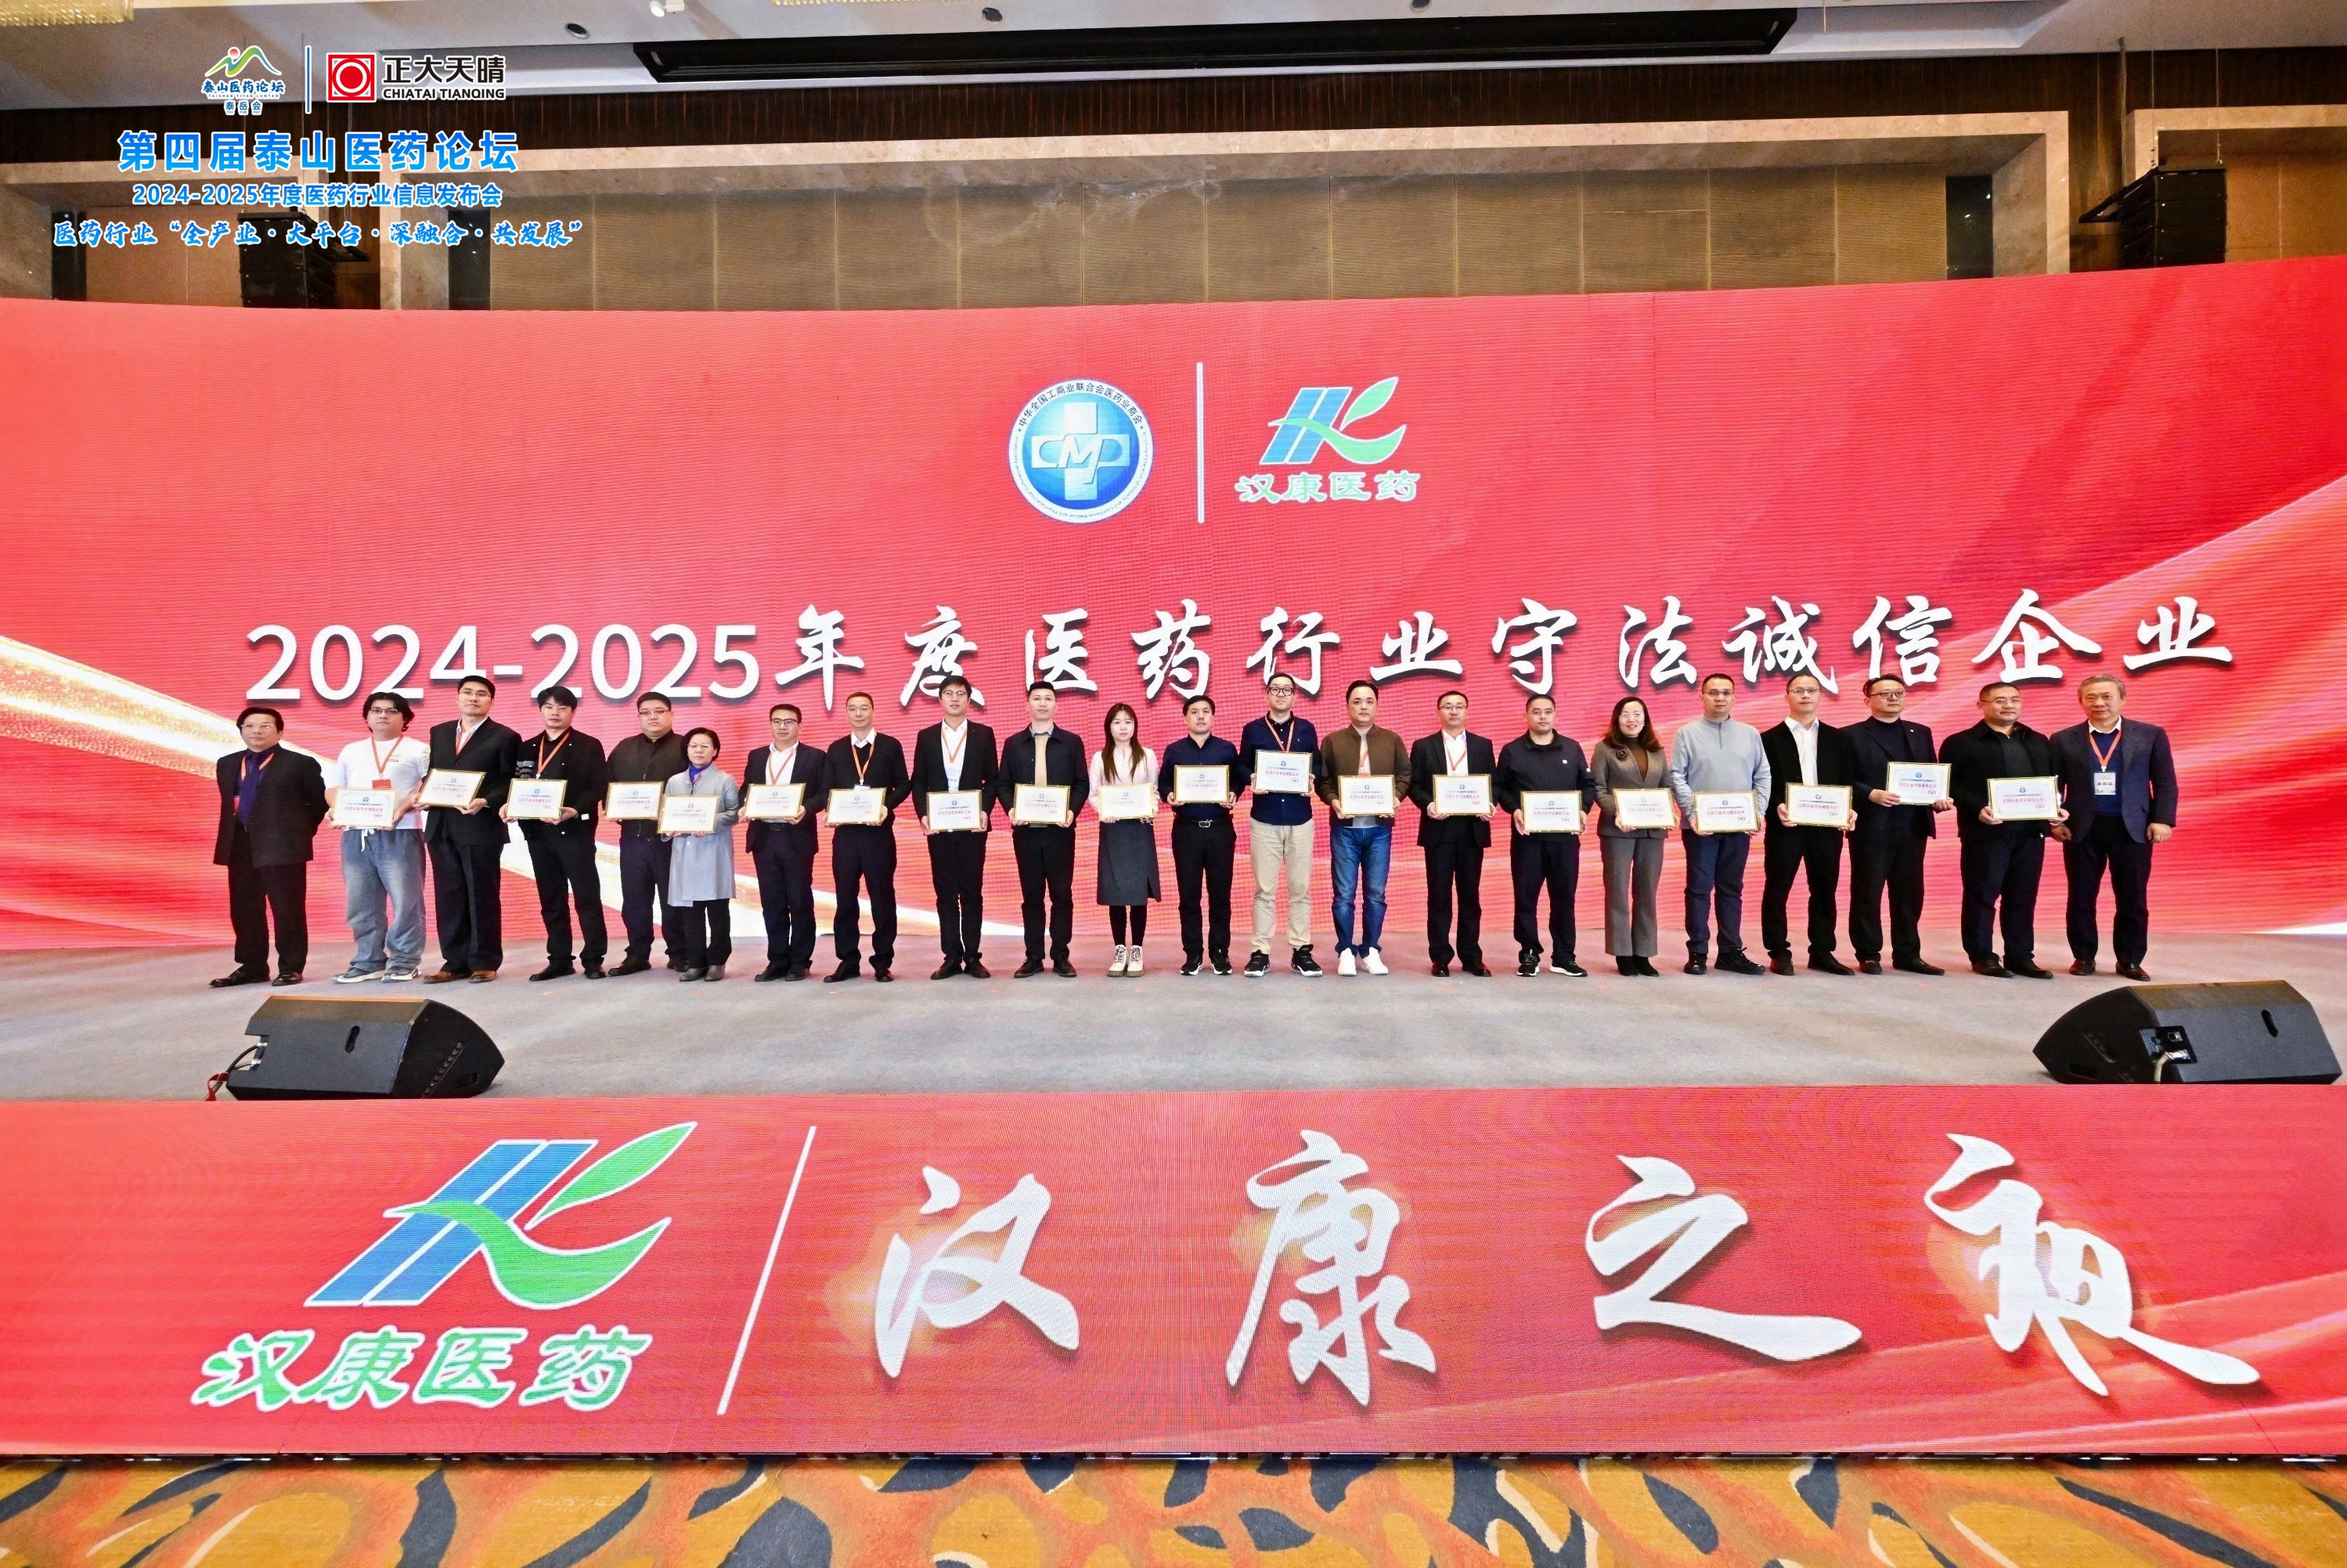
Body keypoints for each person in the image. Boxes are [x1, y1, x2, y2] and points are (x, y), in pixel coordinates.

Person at [2050, 673, 2176, 980]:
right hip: (2082, 828)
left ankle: (2130, 960)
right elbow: (2053, 784)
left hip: (2133, 827)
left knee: (2133, 898)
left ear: (2122, 699)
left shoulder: (2150, 734)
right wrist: (2053, 821)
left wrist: (2162, 819)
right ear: (2081, 702)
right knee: (2081, 896)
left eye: (2107, 696)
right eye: (2091, 697)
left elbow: (2164, 781)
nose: (2099, 703)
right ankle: (2083, 957)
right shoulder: (2063, 738)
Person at [1941, 681, 2063, 978]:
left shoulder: (2038, 740)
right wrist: (1976, 808)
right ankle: (1982, 955)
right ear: (1981, 705)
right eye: (1999, 700)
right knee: (1982, 895)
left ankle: (2021, 957)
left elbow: (2051, 782)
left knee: (2023, 896)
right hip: (1985, 832)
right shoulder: (1960, 742)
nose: (2008, 705)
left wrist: (2055, 807)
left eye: (2014, 699)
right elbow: (1948, 784)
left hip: (2030, 833)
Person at [210, 705, 326, 987]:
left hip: (283, 846)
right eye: (249, 726)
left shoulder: (300, 763)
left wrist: (297, 833)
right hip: (239, 845)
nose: (257, 731)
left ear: (280, 732)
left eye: (265, 726)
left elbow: (318, 803)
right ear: (241, 731)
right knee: (244, 908)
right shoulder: (227, 763)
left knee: (287, 909)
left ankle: (291, 967)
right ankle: (252, 966)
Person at [1846, 674, 1953, 975]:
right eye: (1885, 694)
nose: (1893, 698)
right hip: (1872, 824)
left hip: (1913, 825)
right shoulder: (1850, 735)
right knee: (1868, 891)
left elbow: (1932, 773)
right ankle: (1868, 953)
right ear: (1868, 700)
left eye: (1899, 693)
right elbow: (1841, 778)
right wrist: (1870, 793)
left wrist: (1939, 797)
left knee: (1909, 893)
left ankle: (1908, 953)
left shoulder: (1921, 732)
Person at [503, 685, 609, 982]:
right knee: (551, 898)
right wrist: (511, 804)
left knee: (587, 896)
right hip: (538, 834)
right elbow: (518, 784)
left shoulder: (589, 745)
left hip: (575, 831)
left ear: (572, 712)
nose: (555, 713)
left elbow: (598, 786)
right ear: (540, 711)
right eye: (549, 707)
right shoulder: (527, 747)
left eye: (562, 708)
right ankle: (559, 959)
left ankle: (593, 959)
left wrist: (575, 809)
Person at [323, 691, 430, 985]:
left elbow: (430, 787)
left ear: (405, 718)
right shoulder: (352, 750)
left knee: (406, 901)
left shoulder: (418, 750)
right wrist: (337, 808)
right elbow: (333, 787)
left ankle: (405, 961)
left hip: (401, 832)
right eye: (376, 710)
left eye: (392, 711)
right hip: (356, 834)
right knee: (361, 902)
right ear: (367, 717)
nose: (383, 715)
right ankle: (368, 960)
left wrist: (401, 809)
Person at [1668, 673, 1769, 975]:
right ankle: (1697, 952)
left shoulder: (1750, 734)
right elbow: (1677, 776)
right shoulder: (1687, 733)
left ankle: (1730, 952)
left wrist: (1757, 812)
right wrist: (1692, 813)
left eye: (1726, 692)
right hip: (1700, 827)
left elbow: (1762, 775)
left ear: (1735, 697)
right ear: (1702, 697)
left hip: (1738, 826)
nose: (1720, 698)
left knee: (1731, 889)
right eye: (1713, 692)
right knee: (1699, 888)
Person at [1758, 674, 1858, 976]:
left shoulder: (1838, 738)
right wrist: (1776, 805)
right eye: (1798, 690)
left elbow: (1847, 780)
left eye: (1811, 690)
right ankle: (1778, 951)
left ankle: (1822, 951)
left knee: (1825, 888)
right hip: (1786, 825)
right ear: (1787, 696)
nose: (1805, 695)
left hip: (1827, 826)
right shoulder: (1767, 739)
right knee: (1778, 888)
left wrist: (1849, 808)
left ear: (1820, 696)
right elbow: (1761, 781)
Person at [422, 675, 519, 984]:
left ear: (491, 701)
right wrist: (424, 792)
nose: (473, 698)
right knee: (448, 896)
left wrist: (487, 801)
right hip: (441, 825)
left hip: (480, 825)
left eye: (481, 694)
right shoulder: (439, 732)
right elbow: (434, 773)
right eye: (467, 692)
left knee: (481, 895)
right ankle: (454, 962)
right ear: (457, 697)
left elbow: (510, 780)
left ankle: (484, 960)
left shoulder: (505, 736)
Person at [1493, 693, 1598, 977]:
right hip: (1528, 839)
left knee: (1564, 898)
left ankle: (1564, 956)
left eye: (1548, 711)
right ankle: (1529, 953)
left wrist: (1583, 810)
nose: (1542, 716)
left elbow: (1588, 785)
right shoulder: (1513, 750)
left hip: (1565, 839)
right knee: (1525, 898)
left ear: (1556, 715)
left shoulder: (1572, 748)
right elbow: (1500, 788)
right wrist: (1514, 809)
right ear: (1527, 716)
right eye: (1536, 711)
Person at [1316, 679, 1408, 977]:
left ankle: (1370, 950)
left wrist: (1395, 798)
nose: (1363, 706)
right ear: (1347, 706)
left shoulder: (1392, 740)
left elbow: (1404, 776)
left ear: (1377, 705)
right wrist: (1333, 801)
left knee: (1376, 893)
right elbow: (1323, 780)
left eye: (1369, 701)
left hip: (1380, 829)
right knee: (1344, 894)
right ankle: (1345, 949)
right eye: (1357, 701)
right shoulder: (1333, 741)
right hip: (1345, 829)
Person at [910, 675, 998, 979]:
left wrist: (984, 810)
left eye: (961, 693)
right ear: (940, 699)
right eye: (949, 693)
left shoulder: (983, 734)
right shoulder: (926, 736)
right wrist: (924, 815)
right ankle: (951, 957)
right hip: (939, 826)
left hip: (972, 826)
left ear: (969, 699)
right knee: (945, 892)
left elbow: (993, 780)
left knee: (972, 891)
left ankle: (973, 957)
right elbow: (918, 781)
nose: (955, 698)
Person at [999, 682, 1089, 977]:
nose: (1042, 703)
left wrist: (1071, 811)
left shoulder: (1071, 742)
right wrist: (1012, 809)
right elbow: (1003, 783)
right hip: (1026, 833)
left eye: (1048, 698)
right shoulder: (1013, 743)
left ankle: (1061, 956)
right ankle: (1033, 957)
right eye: (1036, 698)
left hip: (1060, 832)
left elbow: (1081, 783)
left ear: (1056, 705)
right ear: (1027, 704)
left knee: (1062, 895)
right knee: (1032, 896)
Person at [823, 691, 912, 982]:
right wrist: (830, 810)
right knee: (845, 899)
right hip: (846, 837)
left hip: (878, 835)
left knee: (882, 898)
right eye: (853, 709)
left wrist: (886, 806)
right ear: (847, 713)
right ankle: (847, 961)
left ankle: (882, 962)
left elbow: (904, 784)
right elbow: (827, 790)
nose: (859, 713)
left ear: (873, 711)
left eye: (864, 708)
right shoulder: (836, 749)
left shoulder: (890, 745)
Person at [1237, 672, 1322, 976]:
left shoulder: (1307, 729)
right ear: (1267, 695)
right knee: (1264, 889)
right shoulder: (1253, 729)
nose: (1281, 694)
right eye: (1276, 689)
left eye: (1287, 690)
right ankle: (1261, 951)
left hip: (1300, 818)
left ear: (1295, 696)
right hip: (1265, 818)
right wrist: (1251, 777)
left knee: (1300, 889)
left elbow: (1317, 764)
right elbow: (1242, 764)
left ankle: (1301, 951)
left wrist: (1312, 778)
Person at [1406, 690, 1495, 976]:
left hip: (1472, 830)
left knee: (1470, 896)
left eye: (1459, 706)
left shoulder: (1483, 745)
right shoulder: (1423, 746)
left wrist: (1489, 804)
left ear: (1467, 711)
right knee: (1439, 895)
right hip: (1439, 829)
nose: (1453, 711)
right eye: (1447, 706)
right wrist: (1429, 805)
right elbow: (1414, 785)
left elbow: (1492, 783)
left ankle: (1471, 957)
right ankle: (1441, 957)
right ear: (1438, 712)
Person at [1158, 693, 1241, 975]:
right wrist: (1170, 795)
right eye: (1194, 712)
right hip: (1186, 830)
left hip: (1219, 829)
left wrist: (1233, 793)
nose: (1201, 716)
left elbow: (1237, 780)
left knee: (1221, 896)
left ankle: (1220, 953)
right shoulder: (1175, 750)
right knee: (1189, 897)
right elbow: (1164, 782)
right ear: (1185, 719)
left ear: (1213, 717)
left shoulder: (1226, 749)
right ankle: (1193, 954)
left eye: (1206, 711)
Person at [744, 702, 827, 982]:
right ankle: (777, 960)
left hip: (796, 837)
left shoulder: (815, 757)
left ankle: (800, 961)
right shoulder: (757, 756)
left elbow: (824, 793)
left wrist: (807, 808)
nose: (782, 726)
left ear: (799, 726)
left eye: (789, 722)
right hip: (764, 837)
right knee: (772, 902)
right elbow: (747, 790)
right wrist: (745, 805)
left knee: (799, 900)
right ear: (770, 724)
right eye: (777, 721)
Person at [607, 693, 689, 975]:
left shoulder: (685, 747)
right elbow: (609, 784)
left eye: (659, 711)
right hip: (633, 838)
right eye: (646, 712)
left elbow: (698, 788)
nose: (653, 717)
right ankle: (637, 955)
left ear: (671, 714)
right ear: (639, 716)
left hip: (672, 839)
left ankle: (679, 953)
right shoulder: (624, 748)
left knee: (673, 899)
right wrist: (610, 805)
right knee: (634, 900)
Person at [1592, 696, 1669, 977]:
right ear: (1617, 719)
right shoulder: (1605, 748)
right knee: (1618, 890)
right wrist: (1617, 812)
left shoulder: (1657, 750)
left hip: (1653, 831)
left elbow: (1667, 787)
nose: (1632, 719)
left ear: (1645, 719)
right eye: (1625, 714)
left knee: (1647, 891)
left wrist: (1665, 813)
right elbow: (1598, 788)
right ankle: (1623, 953)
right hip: (1618, 830)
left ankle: (1643, 953)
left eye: (1637, 714)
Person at [662, 726, 739, 981]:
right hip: (684, 854)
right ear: (686, 750)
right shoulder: (675, 781)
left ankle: (717, 961)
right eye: (694, 746)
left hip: (713, 852)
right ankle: (695, 962)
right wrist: (668, 829)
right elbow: (666, 814)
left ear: (715, 751)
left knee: (718, 911)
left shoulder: (725, 780)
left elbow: (734, 813)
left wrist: (708, 822)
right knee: (691, 913)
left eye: (705, 746)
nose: (699, 750)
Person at [1091, 702, 1163, 975]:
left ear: (1135, 726)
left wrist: (1150, 810)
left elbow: (1154, 791)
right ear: (1109, 727)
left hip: (1140, 829)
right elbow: (1094, 794)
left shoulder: (1147, 755)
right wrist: (1104, 811)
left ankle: (1137, 950)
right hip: (1113, 830)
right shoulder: (1100, 758)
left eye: (1128, 722)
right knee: (1116, 892)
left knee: (1138, 892)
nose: (1123, 727)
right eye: (1117, 722)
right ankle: (1120, 948)